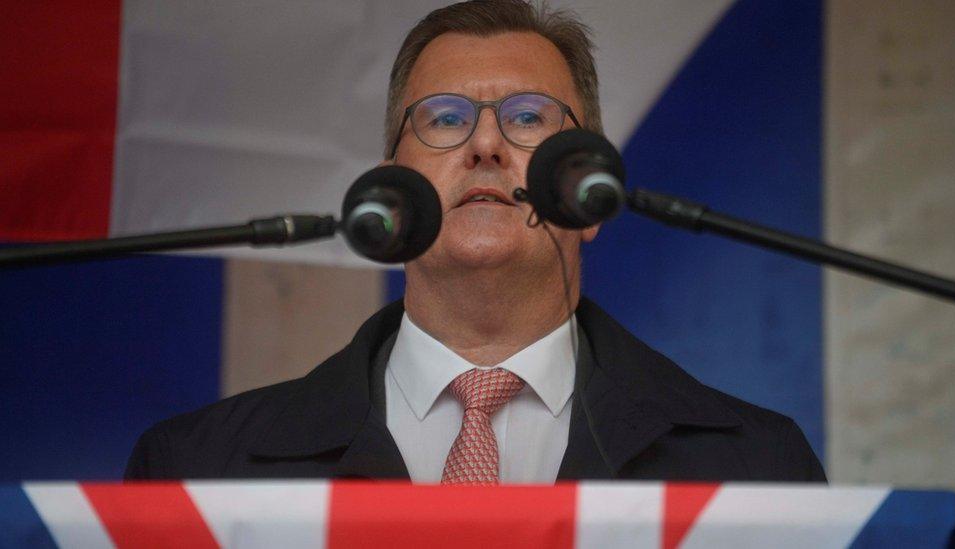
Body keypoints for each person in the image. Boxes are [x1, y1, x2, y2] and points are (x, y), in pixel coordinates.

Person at [126, 0, 826, 483]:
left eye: (528, 116)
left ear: (591, 196)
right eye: (444, 117)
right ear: (390, 192)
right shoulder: (198, 466)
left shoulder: (758, 466)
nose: (486, 142)